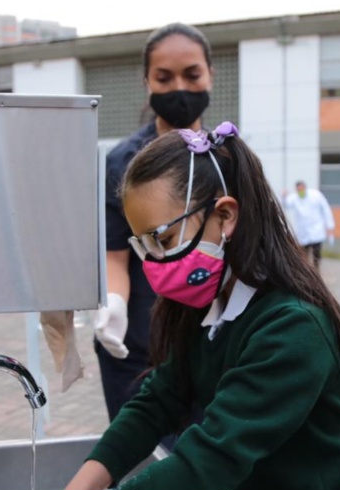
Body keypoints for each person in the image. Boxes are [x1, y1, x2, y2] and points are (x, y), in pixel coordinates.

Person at [0, 123, 340, 490]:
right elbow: (155, 404)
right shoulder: (207, 306)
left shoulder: (292, 326)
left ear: (225, 216)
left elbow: (211, 459)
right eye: (142, 245)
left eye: (163, 239)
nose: (153, 264)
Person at [94, 22, 215, 422]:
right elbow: (116, 257)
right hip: (140, 347)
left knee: (199, 467)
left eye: (191, 74)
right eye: (164, 77)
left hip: (210, 344)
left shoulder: (226, 158)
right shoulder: (124, 163)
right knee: (142, 462)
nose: (179, 87)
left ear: (209, 75)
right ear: (147, 81)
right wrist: (115, 304)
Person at [283, 180, 335, 270]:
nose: (301, 191)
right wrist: (284, 196)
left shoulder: (316, 196)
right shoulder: (295, 198)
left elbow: (326, 209)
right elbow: (286, 204)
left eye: (302, 189)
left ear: (305, 188)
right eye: (298, 190)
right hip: (303, 232)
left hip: (316, 230)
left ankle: (316, 271)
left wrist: (329, 226)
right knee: (304, 254)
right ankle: (306, 272)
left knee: (316, 253)